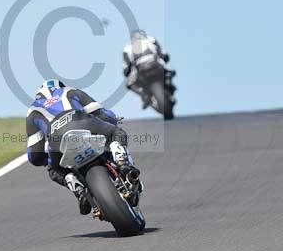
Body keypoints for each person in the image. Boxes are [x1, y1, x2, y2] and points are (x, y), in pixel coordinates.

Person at [25, 79, 140, 215]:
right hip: (84, 122)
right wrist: (113, 119)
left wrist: (47, 160)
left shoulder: (32, 111)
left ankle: (77, 187)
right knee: (116, 132)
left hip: (57, 139)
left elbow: (34, 155)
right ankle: (122, 161)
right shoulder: (70, 91)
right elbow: (100, 112)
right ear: (59, 86)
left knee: (54, 169)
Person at [122, 30, 175, 108]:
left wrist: (128, 72)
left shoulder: (127, 47)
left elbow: (127, 66)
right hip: (156, 65)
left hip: (142, 70)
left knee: (129, 84)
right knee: (169, 72)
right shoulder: (151, 39)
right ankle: (166, 86)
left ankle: (144, 95)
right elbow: (163, 53)